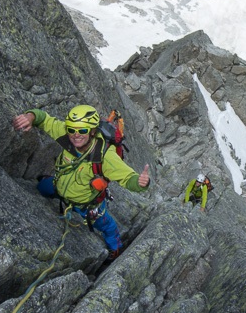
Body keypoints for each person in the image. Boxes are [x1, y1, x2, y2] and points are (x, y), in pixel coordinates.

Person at [12, 104, 150, 257]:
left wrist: (141, 182)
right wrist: (29, 117)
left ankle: (115, 248)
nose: (76, 135)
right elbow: (44, 119)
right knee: (41, 188)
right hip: (59, 187)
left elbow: (128, 178)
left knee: (107, 225)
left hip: (86, 204)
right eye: (72, 129)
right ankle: (49, 182)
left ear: (92, 131)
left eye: (82, 131)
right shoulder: (66, 136)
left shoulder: (105, 156)